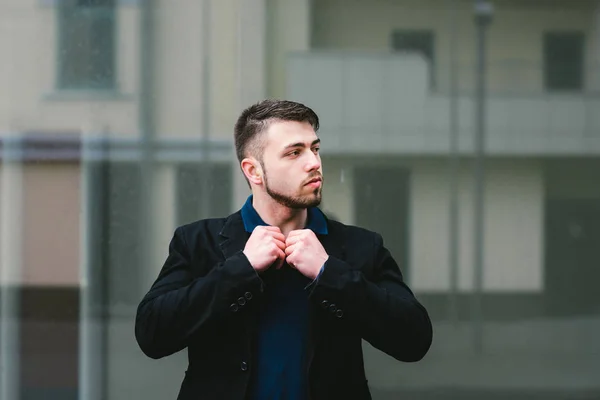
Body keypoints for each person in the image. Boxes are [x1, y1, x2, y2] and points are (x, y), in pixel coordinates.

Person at [135, 99, 433, 400]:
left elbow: (414, 340)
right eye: (294, 152)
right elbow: (152, 334)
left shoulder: (360, 246)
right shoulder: (198, 242)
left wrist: (329, 273)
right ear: (254, 172)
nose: (314, 163)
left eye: (315, 149)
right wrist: (241, 269)